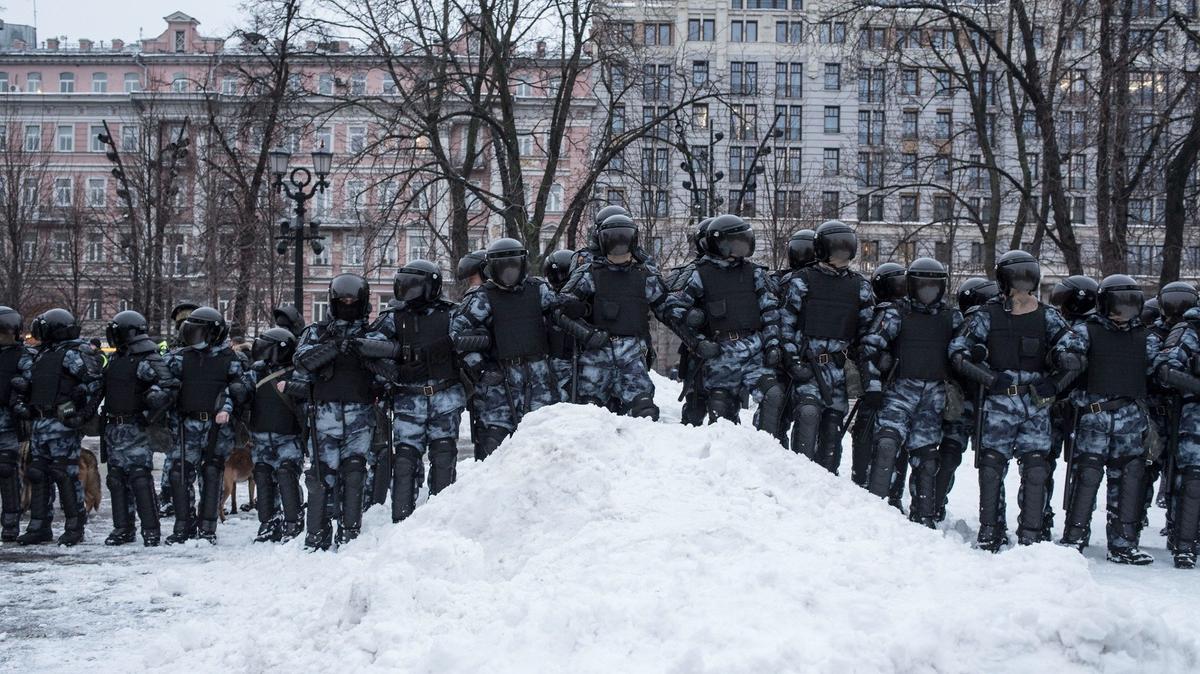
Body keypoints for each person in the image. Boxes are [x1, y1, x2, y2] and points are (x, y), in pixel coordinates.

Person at [949, 251, 1078, 551]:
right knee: (992, 467)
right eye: (1016, 281)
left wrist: (1055, 381)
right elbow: (957, 352)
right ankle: (990, 530)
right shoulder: (985, 315)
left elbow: (1075, 356)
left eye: (1026, 280)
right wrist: (988, 377)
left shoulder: (1049, 316)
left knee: (1036, 469)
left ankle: (1031, 534)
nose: (1021, 287)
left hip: (1035, 404)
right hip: (998, 403)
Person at [1053, 275, 1157, 565]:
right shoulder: (1087, 331)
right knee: (1087, 476)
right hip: (1094, 418)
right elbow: (1064, 353)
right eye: (1117, 305)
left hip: (1130, 421)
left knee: (1128, 478)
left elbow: (1160, 365)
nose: (1123, 313)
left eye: (1130, 305)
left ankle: (1123, 543)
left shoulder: (1145, 337)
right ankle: (1074, 538)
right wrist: (1069, 359)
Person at [450, 238, 582, 458]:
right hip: (501, 379)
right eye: (503, 266)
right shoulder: (482, 297)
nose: (509, 272)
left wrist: (575, 304)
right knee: (495, 441)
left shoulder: (538, 289)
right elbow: (458, 335)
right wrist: (480, 369)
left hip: (538, 376)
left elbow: (560, 308)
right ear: (492, 268)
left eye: (513, 265)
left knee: (544, 436)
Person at [860, 258, 963, 527]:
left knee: (927, 458)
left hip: (934, 397)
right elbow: (870, 347)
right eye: (922, 284)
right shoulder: (897, 313)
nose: (928, 290)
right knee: (886, 444)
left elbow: (963, 353)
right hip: (899, 391)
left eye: (933, 285)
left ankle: (923, 516)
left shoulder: (951, 318)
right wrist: (873, 382)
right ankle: (877, 507)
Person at [291, 274, 386, 550]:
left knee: (354, 475)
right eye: (342, 300)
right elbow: (302, 361)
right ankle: (316, 537)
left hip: (360, 416)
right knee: (321, 478)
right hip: (324, 416)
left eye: (352, 300)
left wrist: (365, 356)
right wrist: (333, 348)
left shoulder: (372, 334)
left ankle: (350, 535)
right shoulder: (317, 332)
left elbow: (388, 369)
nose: (347, 304)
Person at [670, 214, 787, 435]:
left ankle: (766, 447)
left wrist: (772, 344)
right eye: (735, 243)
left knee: (773, 395)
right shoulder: (699, 274)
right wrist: (698, 342)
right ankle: (723, 459)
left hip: (754, 350)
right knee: (721, 410)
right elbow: (675, 313)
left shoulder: (755, 273)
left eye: (744, 242)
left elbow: (770, 311)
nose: (740, 249)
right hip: (721, 353)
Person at [369, 260, 468, 523]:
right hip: (408, 398)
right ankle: (402, 520)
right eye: (405, 286)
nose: (408, 292)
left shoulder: (452, 314)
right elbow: (368, 348)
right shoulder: (393, 317)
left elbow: (469, 341)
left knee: (444, 456)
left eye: (414, 287)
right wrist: (395, 369)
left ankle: (440, 518)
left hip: (444, 396)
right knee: (404, 461)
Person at [561, 215, 679, 419]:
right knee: (589, 415)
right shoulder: (589, 273)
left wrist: (696, 336)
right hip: (597, 354)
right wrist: (586, 333)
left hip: (632, 353)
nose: (619, 245)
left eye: (624, 239)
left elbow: (667, 310)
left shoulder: (645, 275)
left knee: (645, 411)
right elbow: (560, 310)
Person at [779, 220, 874, 472]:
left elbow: (867, 336)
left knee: (832, 428)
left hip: (838, 369)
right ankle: (799, 474)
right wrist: (792, 362)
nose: (841, 256)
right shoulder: (802, 280)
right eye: (836, 250)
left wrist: (870, 380)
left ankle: (827, 481)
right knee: (808, 414)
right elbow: (785, 325)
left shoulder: (860, 287)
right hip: (808, 364)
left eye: (846, 250)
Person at [11, 309, 103, 546]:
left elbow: (95, 384)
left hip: (63, 423)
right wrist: (24, 402)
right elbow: (32, 385)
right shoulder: (43, 354)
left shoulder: (74, 353)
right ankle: (39, 526)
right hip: (40, 422)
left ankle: (75, 527)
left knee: (65, 474)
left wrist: (82, 415)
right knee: (37, 473)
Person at [164, 306, 245, 544]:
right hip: (186, 424)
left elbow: (239, 388)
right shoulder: (181, 357)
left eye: (200, 332)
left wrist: (227, 407)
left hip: (216, 428)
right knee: (179, 473)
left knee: (212, 474)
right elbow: (163, 379)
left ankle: (207, 527)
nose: (195, 337)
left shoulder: (230, 359)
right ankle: (183, 526)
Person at [100, 311, 176, 546]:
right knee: (116, 479)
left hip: (136, 428)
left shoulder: (146, 359)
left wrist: (150, 413)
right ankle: (123, 528)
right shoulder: (116, 359)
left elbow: (169, 388)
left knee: (139, 478)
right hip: (114, 427)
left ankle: (151, 530)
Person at [1039, 275, 1099, 541]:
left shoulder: (1087, 330)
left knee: (1080, 470)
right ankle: (1052, 520)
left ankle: (1064, 523)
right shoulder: (1058, 325)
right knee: (1043, 465)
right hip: (1059, 405)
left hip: (1078, 407)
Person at [935, 277, 999, 521]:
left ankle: (935, 504)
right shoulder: (970, 323)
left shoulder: (992, 320)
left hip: (985, 401)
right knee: (950, 454)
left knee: (978, 460)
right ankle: (934, 504)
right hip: (968, 401)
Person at [244, 327, 305, 543]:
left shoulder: (296, 373)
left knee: (287, 475)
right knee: (262, 475)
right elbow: (241, 391)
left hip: (288, 437)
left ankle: (293, 522)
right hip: (261, 436)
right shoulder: (256, 372)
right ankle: (268, 522)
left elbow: (309, 396)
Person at [849, 261, 906, 491]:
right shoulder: (878, 312)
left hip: (900, 386)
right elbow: (864, 344)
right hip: (876, 383)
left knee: (895, 442)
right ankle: (860, 480)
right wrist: (872, 379)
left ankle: (894, 492)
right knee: (864, 429)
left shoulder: (907, 312)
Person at [669, 218, 714, 427]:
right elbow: (672, 307)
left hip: (727, 345)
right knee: (696, 402)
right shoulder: (691, 272)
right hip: (697, 346)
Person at [0, 306, 30, 541]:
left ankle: (10, 521)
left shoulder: (23, 356)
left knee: (7, 469)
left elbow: (33, 385)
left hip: (9, 421)